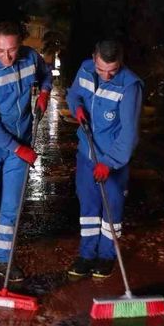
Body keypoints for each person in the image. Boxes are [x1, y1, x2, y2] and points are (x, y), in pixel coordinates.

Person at [0, 21, 53, 281]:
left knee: (11, 206)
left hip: (21, 140)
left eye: (12, 50)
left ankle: (4, 260)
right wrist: (18, 149)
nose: (7, 57)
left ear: (20, 44)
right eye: (1, 50)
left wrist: (45, 91)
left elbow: (45, 74)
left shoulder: (30, 58)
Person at [66, 40, 143, 279]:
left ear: (121, 62)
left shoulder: (130, 85)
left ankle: (106, 256)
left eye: (112, 70)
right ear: (94, 57)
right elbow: (74, 94)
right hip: (86, 153)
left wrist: (109, 163)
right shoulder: (85, 69)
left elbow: (129, 133)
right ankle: (87, 255)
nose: (106, 76)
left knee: (111, 209)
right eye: (101, 69)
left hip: (112, 159)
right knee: (88, 207)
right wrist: (76, 107)